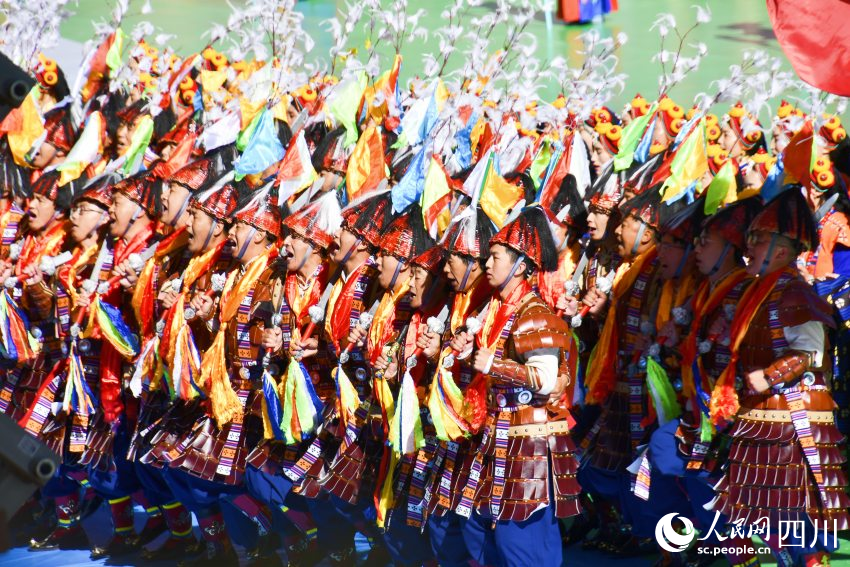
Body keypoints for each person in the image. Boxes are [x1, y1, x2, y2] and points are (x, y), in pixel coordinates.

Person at [708, 187, 849, 566]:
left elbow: (810, 351)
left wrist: (769, 375)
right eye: (750, 240)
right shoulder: (754, 290)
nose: (748, 248)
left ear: (782, 252)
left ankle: (807, 557)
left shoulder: (794, 293)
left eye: (758, 241)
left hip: (794, 410)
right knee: (748, 491)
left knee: (793, 497)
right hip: (762, 410)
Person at [455, 206, 581, 567]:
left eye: (495, 257)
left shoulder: (535, 314)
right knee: (479, 528)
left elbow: (543, 380)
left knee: (521, 539)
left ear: (521, 265)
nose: (487, 264)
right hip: (499, 436)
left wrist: (493, 363)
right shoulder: (495, 310)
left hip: (530, 442)